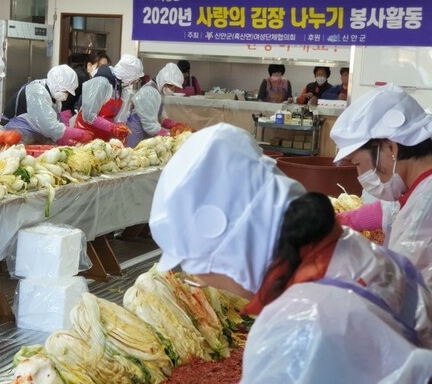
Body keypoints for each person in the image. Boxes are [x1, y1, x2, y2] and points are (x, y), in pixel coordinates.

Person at [150, 122, 432, 383]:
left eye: (197, 269)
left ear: (228, 252)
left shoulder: (293, 326)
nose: (206, 280)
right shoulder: (360, 252)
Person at [330, 83, 432, 285]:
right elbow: (389, 210)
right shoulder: (413, 185)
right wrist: (337, 222)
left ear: (390, 148)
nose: (360, 174)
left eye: (357, 163)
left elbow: (398, 290)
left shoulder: (425, 208)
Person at [2, 64, 92, 146]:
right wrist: (79, 134)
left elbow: (57, 123)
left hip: (30, 137)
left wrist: (65, 141)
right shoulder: (37, 92)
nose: (66, 96)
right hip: (15, 135)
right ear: (57, 84)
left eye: (68, 93)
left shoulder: (55, 100)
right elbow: (49, 127)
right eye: (65, 91)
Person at [126, 62, 190, 147]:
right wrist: (170, 135)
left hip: (143, 136)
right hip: (136, 136)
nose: (174, 90)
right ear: (165, 82)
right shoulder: (149, 93)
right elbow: (150, 127)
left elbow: (159, 117)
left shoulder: (158, 92)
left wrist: (174, 125)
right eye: (173, 87)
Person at [73, 64, 130, 142]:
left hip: (104, 136)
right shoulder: (101, 83)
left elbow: (119, 117)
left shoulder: (122, 89)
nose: (132, 83)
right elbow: (89, 115)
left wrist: (121, 128)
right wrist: (112, 127)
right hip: (86, 132)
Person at [64, 51, 111, 119]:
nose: (103, 70)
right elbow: (66, 104)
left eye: (105, 67)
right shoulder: (80, 78)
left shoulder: (97, 81)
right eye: (100, 66)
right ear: (89, 66)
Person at [113, 54, 145, 123]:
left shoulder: (123, 89)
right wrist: (110, 126)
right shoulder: (105, 84)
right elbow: (91, 115)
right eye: (135, 79)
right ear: (128, 75)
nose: (133, 83)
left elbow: (121, 116)